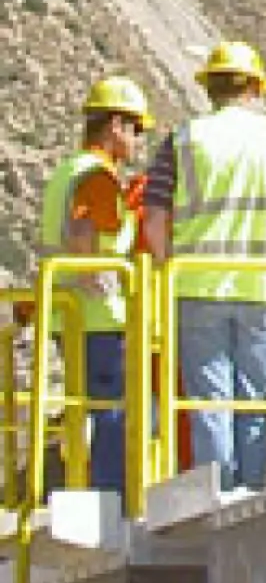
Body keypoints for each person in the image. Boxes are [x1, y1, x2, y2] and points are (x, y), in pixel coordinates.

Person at [140, 39, 266, 492]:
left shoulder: (183, 140)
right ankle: (249, 493)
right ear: (255, 87)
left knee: (209, 401)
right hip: (262, 290)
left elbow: (153, 221)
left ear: (210, 89)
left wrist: (167, 266)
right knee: (255, 401)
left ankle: (215, 492)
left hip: (197, 288)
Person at [38, 74, 154, 500]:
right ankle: (110, 501)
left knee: (90, 412)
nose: (139, 141)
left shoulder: (68, 171)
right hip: (96, 319)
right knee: (112, 414)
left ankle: (91, 494)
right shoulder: (97, 177)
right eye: (136, 129)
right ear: (115, 127)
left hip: (69, 314)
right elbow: (84, 231)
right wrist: (96, 276)